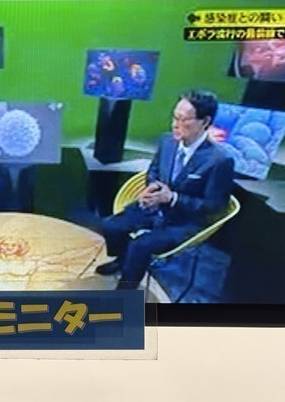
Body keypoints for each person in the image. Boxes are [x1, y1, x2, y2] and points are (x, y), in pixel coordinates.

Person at [96, 90, 234, 290]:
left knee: (140, 246)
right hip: (154, 207)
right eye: (175, 117)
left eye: (183, 120)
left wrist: (173, 198)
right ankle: (122, 260)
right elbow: (154, 170)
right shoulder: (167, 141)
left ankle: (125, 291)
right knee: (111, 226)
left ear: (205, 122)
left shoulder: (219, 161)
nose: (175, 124)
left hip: (184, 220)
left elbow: (214, 207)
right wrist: (151, 188)